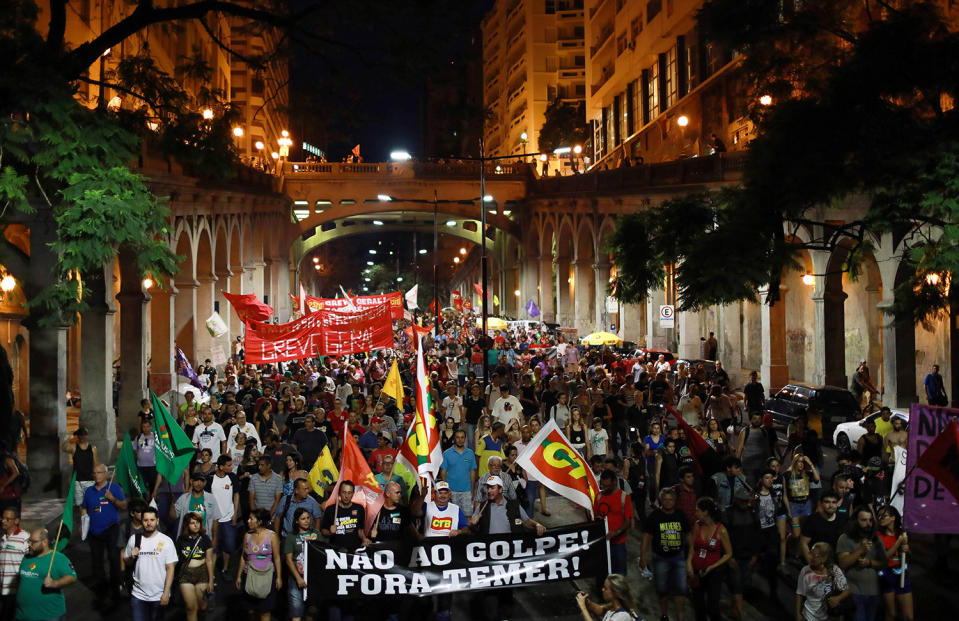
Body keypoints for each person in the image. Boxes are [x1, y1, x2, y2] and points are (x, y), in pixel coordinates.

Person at [469, 475, 546, 621]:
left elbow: (526, 521)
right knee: (490, 594)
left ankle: (505, 616)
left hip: (508, 559)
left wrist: (536, 525)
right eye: (487, 488)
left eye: (492, 488)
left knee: (506, 591)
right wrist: (473, 524)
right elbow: (472, 531)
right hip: (489, 560)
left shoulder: (513, 505)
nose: (489, 491)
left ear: (500, 490)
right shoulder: (482, 507)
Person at [641, 488, 689, 621]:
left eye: (671, 500)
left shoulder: (680, 515)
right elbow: (646, 536)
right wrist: (643, 556)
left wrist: (691, 555)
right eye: (665, 499)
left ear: (675, 501)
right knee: (662, 588)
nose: (668, 502)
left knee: (680, 588)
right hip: (660, 558)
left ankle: (680, 615)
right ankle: (664, 614)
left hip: (678, 556)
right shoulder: (655, 516)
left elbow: (688, 533)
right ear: (661, 500)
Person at [80, 463, 126, 599]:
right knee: (96, 559)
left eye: (99, 472)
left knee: (113, 557)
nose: (96, 475)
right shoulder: (89, 491)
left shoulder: (115, 488)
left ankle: (115, 585)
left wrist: (112, 498)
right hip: (94, 530)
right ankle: (100, 586)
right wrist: (83, 520)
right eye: (94, 473)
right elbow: (84, 507)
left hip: (111, 528)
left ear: (106, 474)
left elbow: (123, 505)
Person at [123, 506, 178, 621]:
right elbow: (127, 562)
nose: (149, 523)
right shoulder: (134, 539)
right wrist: (131, 557)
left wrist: (166, 592)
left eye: (152, 520)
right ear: (141, 521)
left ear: (157, 521)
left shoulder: (166, 541)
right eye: (146, 520)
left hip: (158, 596)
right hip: (138, 595)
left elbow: (170, 568)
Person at [14, 528, 77, 621]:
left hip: (48, 615)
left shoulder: (58, 558)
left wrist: (54, 583)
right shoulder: (27, 558)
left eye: (33, 542)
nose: (30, 545)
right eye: (29, 542)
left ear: (44, 541)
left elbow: (72, 577)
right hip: (22, 615)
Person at [836, 506, 886, 621]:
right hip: (854, 592)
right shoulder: (845, 538)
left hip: (874, 592)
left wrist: (869, 562)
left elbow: (884, 563)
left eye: (870, 520)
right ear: (855, 521)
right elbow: (843, 563)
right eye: (863, 520)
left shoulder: (876, 539)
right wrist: (860, 551)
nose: (868, 524)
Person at [687, 497, 732, 621]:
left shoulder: (721, 530)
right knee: (699, 607)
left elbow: (728, 553)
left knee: (713, 608)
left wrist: (712, 567)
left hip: (714, 574)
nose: (695, 513)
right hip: (697, 572)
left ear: (705, 512)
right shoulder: (697, 526)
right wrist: (689, 563)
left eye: (697, 511)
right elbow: (692, 548)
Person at [236, 508, 282, 621]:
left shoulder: (272, 536)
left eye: (251, 519)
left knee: (264, 611)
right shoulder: (247, 536)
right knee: (251, 611)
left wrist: (279, 577)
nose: (248, 521)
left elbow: (276, 557)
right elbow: (243, 557)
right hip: (250, 576)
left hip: (267, 577)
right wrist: (238, 576)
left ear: (260, 521)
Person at [875, 506, 913, 621]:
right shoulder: (877, 535)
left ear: (893, 518)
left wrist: (906, 549)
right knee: (891, 614)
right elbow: (883, 557)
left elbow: (907, 556)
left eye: (884, 515)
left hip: (902, 573)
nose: (880, 518)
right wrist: (898, 543)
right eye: (879, 515)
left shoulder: (902, 533)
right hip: (886, 575)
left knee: (909, 616)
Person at [796, 542, 851, 621]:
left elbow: (847, 590)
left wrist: (838, 598)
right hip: (809, 616)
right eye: (810, 553)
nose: (810, 557)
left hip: (830, 617)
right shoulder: (805, 571)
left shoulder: (834, 570)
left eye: (814, 556)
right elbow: (799, 593)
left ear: (824, 558)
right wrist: (798, 613)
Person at [175, 512, 214, 621]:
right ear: (187, 525)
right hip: (186, 574)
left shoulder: (205, 539)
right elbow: (175, 558)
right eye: (192, 523)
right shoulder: (181, 540)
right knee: (190, 608)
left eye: (197, 522)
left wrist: (211, 580)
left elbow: (209, 560)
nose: (196, 525)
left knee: (202, 606)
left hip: (202, 573)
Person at [594, 470, 634, 576]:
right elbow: (595, 517)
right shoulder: (598, 497)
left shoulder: (624, 497)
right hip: (602, 543)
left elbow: (628, 522)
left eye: (607, 486)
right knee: (603, 573)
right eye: (603, 485)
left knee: (619, 575)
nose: (604, 488)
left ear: (615, 482)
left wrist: (615, 533)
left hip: (618, 544)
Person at [284, 508, 321, 621]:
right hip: (296, 580)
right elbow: (288, 560)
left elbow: (322, 555)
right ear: (296, 521)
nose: (306, 521)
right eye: (303, 519)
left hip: (313, 579)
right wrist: (298, 578)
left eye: (308, 518)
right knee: (296, 612)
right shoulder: (291, 537)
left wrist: (313, 542)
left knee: (311, 611)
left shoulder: (316, 534)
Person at [209, 455, 240, 576]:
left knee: (229, 546)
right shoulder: (211, 478)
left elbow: (236, 495)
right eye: (229, 465)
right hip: (213, 519)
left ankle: (225, 569)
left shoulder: (232, 477)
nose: (231, 467)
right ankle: (211, 574)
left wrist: (235, 514)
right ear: (221, 467)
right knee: (214, 546)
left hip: (228, 518)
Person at [440, 429, 477, 517]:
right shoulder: (446, 453)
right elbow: (443, 472)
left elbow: (472, 472)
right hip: (452, 491)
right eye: (457, 437)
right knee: (452, 517)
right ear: (454, 439)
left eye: (462, 437)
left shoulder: (470, 453)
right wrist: (446, 490)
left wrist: (472, 490)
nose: (460, 440)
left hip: (467, 491)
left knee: (468, 517)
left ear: (465, 439)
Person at [172, 471, 221, 538]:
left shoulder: (211, 498)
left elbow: (215, 519)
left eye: (201, 481)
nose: (199, 483)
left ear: (205, 483)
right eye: (196, 480)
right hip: (186, 538)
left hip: (204, 538)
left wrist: (214, 539)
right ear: (191, 481)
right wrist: (171, 503)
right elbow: (173, 516)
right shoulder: (183, 498)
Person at [800, 491, 845, 563]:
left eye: (834, 502)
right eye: (827, 502)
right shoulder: (813, 520)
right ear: (821, 503)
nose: (831, 505)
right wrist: (812, 562)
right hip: (817, 561)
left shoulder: (842, 519)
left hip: (835, 562)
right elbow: (803, 543)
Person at [0, 508, 28, 620]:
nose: (3, 521)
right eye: (2, 518)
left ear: (16, 521)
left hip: (15, 589)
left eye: (7, 519)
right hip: (2, 588)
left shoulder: (25, 537)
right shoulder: (2, 538)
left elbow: (32, 562)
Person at [574, 573, 641, 620]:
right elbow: (601, 610)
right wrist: (588, 603)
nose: (602, 590)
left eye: (606, 588)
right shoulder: (615, 606)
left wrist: (583, 608)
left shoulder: (622, 616)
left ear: (615, 593)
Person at [59, 427, 98, 506]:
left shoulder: (93, 449)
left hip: (90, 480)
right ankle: (83, 518)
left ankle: (90, 517)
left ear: (87, 436)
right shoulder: (74, 448)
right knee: (79, 504)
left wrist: (97, 479)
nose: (82, 437)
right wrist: (70, 437)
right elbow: (63, 447)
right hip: (78, 481)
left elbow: (95, 464)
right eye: (80, 435)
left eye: (84, 435)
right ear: (78, 436)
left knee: (91, 503)